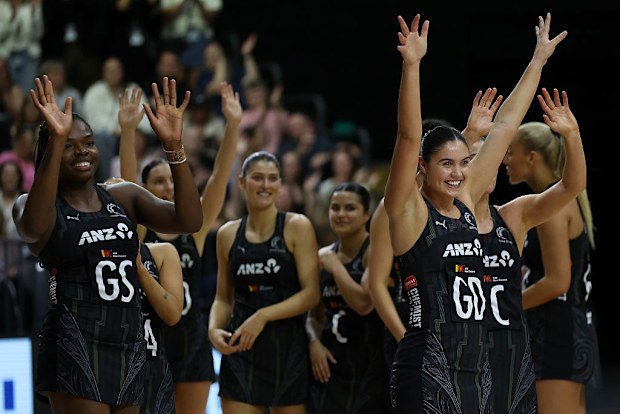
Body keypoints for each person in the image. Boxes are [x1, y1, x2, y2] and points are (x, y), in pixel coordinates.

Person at [383, 13, 566, 414]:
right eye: (446, 164)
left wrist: (538, 61)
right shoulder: (406, 211)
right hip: (429, 368)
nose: (458, 173)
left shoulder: (464, 200)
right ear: (422, 166)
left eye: (462, 163)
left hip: (483, 368)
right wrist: (411, 66)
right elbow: (408, 135)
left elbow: (504, 127)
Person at [12, 74, 202, 413]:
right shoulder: (33, 204)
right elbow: (33, 231)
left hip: (128, 340)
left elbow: (189, 220)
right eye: (68, 145)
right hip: (75, 340)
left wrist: (174, 148)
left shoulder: (122, 197)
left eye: (88, 142)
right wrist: (55, 142)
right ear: (50, 151)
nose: (82, 151)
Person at [118, 81, 241, 414]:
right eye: (158, 182)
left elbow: (219, 176)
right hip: (150, 341)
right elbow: (126, 186)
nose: (168, 187)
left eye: (171, 181)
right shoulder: (139, 230)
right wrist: (128, 131)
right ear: (145, 189)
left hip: (192, 344)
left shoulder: (193, 230)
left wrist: (233, 125)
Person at [503, 92, 601, 414]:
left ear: (532, 157)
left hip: (558, 329)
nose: (505, 160)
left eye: (510, 152)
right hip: (566, 326)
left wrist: (505, 307)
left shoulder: (551, 208)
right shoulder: (546, 203)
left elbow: (558, 281)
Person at [208, 150, 321, 414]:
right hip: (241, 352)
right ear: (242, 182)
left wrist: (263, 315)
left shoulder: (297, 226)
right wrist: (213, 329)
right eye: (258, 178)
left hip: (288, 351)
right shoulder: (226, 234)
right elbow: (223, 298)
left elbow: (311, 294)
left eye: (272, 178)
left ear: (280, 183)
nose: (266, 185)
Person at [306, 182, 390, 413]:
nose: (341, 214)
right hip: (330, 363)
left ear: (366, 215)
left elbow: (364, 303)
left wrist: (336, 267)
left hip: (368, 362)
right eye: (335, 208)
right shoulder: (322, 256)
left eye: (349, 208)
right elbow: (313, 314)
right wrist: (313, 342)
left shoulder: (375, 251)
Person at [137, 241, 183, 414]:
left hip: (152, 364)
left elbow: (172, 315)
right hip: (108, 363)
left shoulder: (162, 252)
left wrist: (140, 268)